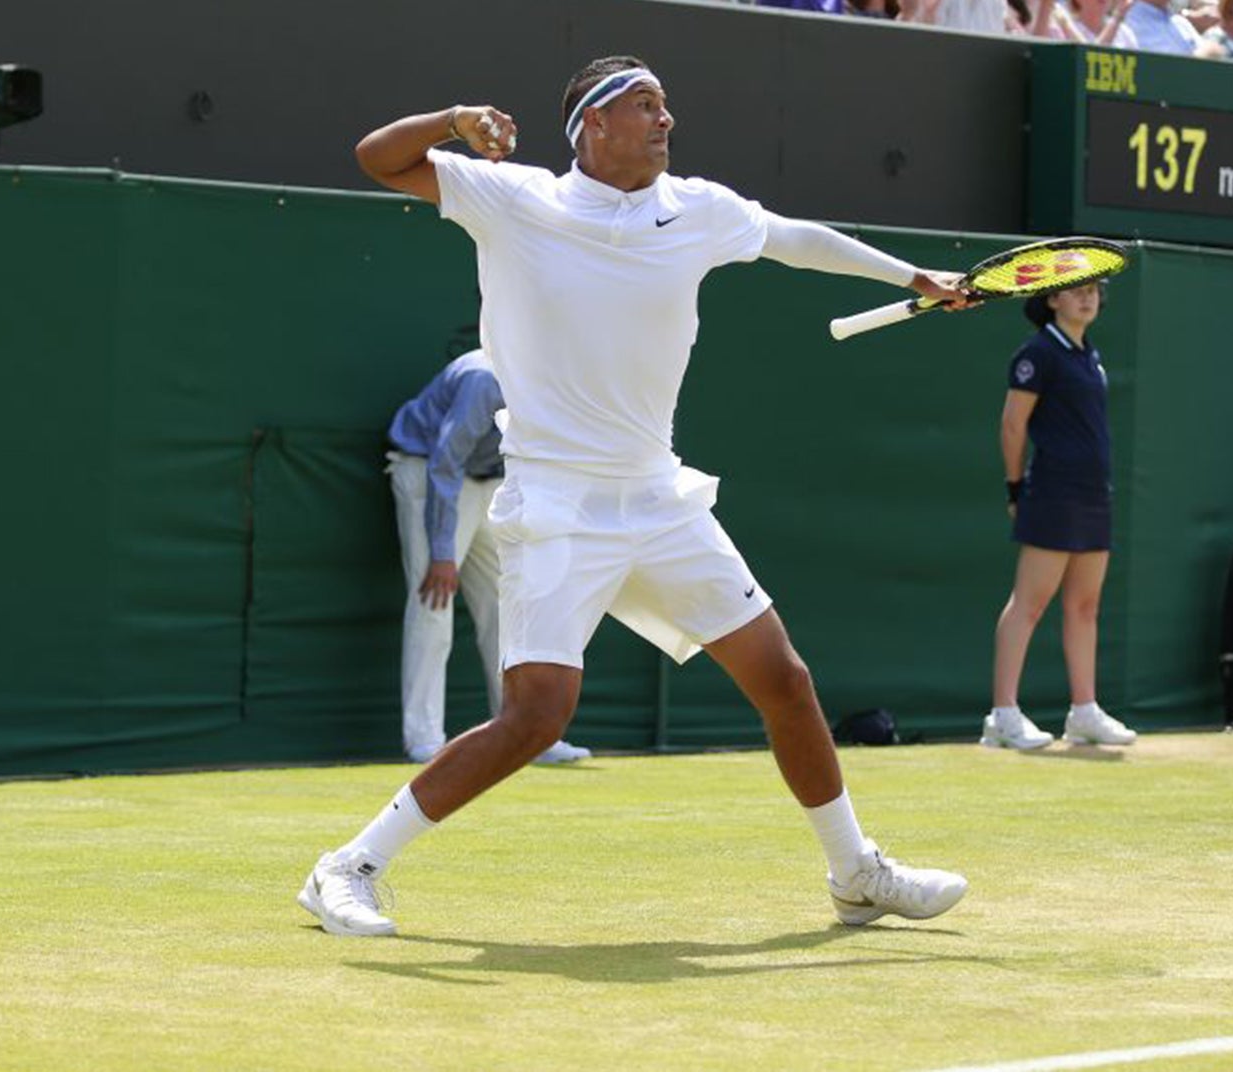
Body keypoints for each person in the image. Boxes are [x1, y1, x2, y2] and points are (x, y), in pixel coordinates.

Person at [303, 60, 973, 937]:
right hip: (555, 502)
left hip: (658, 498)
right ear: (592, 125)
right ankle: (346, 867)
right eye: (645, 106)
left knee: (783, 677)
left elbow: (796, 238)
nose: (667, 118)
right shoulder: (516, 199)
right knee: (538, 715)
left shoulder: (698, 208)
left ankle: (855, 872)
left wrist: (908, 274)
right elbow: (376, 156)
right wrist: (453, 117)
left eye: (665, 105)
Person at [386, 351, 590, 767]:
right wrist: (442, 553)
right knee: (433, 604)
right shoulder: (484, 379)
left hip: (491, 481)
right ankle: (424, 740)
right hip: (430, 473)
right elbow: (446, 461)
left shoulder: (558, 380)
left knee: (510, 610)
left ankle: (528, 735)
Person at [984, 281, 1137, 753]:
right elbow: (1013, 424)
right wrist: (1015, 487)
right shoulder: (1038, 353)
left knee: (1085, 605)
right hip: (1052, 491)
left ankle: (1083, 713)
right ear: (1052, 300)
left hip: (1094, 494)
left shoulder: (1088, 355)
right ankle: (1003, 716)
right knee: (1029, 602)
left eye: (1093, 291)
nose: (1087, 299)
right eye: (1076, 292)